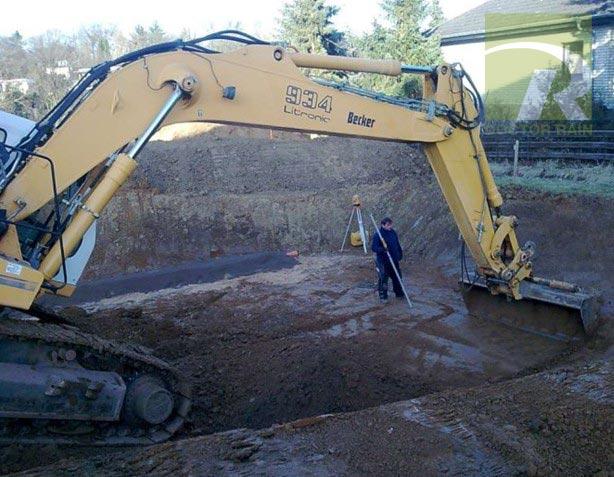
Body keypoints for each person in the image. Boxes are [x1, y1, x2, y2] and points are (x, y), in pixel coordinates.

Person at [371, 217, 404, 302]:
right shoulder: (378, 234)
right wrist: (383, 249)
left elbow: (397, 243)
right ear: (383, 225)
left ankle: (399, 293)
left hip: (394, 259)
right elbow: (374, 247)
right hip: (383, 261)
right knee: (384, 278)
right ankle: (383, 297)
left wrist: (400, 254)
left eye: (391, 224)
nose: (390, 226)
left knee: (397, 277)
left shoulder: (393, 232)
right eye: (388, 225)